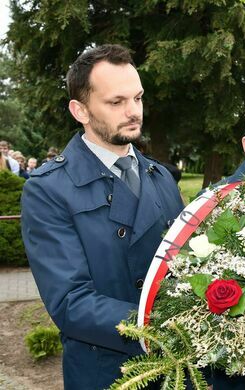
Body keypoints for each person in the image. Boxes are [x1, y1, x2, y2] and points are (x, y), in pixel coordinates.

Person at [20, 44, 184, 389]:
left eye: (137, 98)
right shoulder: (48, 189)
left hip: (178, 371)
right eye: (116, 102)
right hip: (107, 373)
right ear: (80, 110)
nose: (133, 111)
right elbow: (70, 302)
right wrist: (160, 325)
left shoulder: (161, 176)